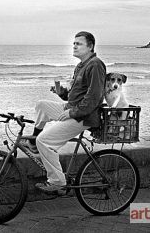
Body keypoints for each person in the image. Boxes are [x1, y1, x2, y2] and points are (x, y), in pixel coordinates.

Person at [22, 31, 106, 195]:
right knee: (41, 105)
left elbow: (94, 98)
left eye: (79, 43)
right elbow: (76, 96)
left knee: (45, 141)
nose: (74, 46)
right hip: (72, 109)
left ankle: (57, 183)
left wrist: (71, 113)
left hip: (84, 117)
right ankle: (33, 144)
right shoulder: (81, 65)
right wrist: (61, 93)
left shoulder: (95, 65)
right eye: (73, 43)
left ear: (90, 47)